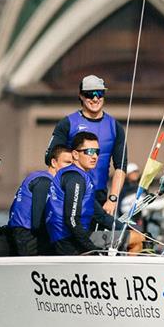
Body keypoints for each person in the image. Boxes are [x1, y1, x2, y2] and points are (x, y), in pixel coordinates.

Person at [45, 74, 127, 219]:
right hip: (71, 192)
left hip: (100, 195)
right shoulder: (68, 123)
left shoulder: (115, 126)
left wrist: (113, 199)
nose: (95, 98)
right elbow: (50, 158)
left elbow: (121, 166)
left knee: (98, 239)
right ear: (81, 96)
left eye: (99, 93)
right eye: (89, 94)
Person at [8, 145, 72, 256]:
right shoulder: (44, 182)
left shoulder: (40, 177)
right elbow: (38, 223)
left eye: (72, 164)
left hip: (21, 232)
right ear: (53, 162)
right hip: (27, 236)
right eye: (67, 162)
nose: (70, 167)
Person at [45, 131, 100, 255]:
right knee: (134, 240)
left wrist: (124, 227)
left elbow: (100, 215)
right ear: (75, 154)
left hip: (74, 236)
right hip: (67, 241)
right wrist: (92, 249)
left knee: (133, 235)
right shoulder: (75, 178)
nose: (95, 156)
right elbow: (71, 219)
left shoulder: (80, 176)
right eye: (90, 151)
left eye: (97, 152)